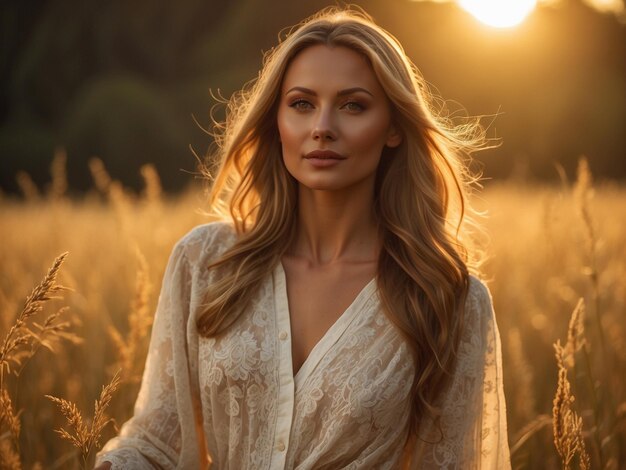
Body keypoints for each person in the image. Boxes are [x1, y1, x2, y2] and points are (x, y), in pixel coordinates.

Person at [95, 6, 510, 469]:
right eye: (301, 103)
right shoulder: (206, 262)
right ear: (276, 120)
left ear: (394, 127)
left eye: (353, 105)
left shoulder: (448, 297)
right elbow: (156, 442)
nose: (322, 127)